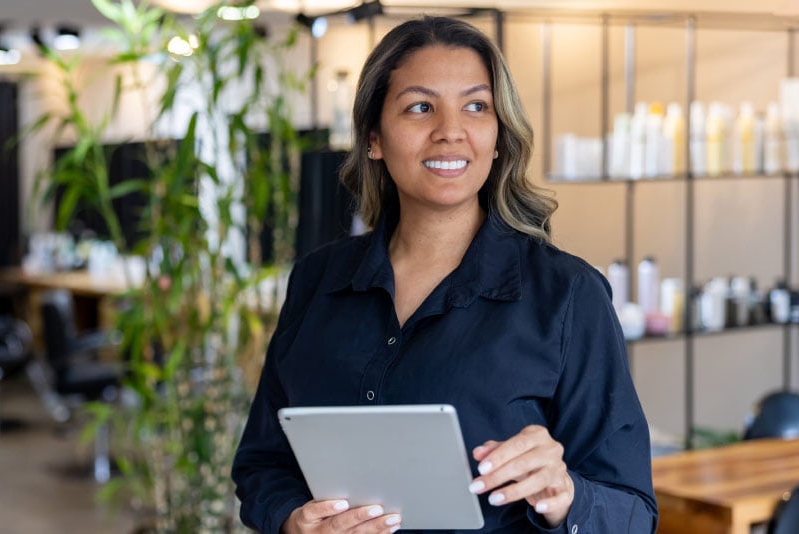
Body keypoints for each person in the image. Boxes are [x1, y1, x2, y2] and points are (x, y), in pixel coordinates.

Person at [233, 15, 658, 534]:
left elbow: (634, 514)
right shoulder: (316, 280)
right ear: (374, 139)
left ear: (499, 135)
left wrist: (564, 493)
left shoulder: (569, 295)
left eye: (476, 107)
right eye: (420, 107)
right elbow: (261, 466)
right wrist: (293, 520)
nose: (451, 131)